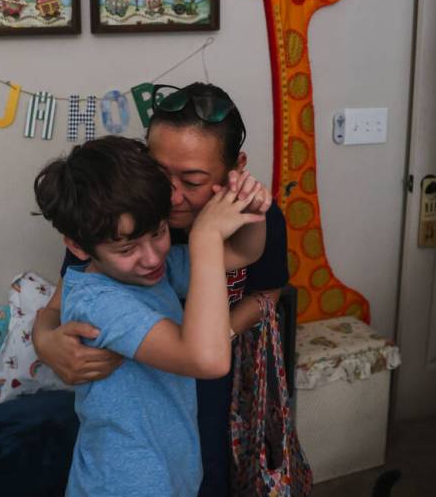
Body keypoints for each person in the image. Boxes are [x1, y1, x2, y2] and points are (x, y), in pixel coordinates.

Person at [33, 82, 289, 495]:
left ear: (234, 169)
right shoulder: (124, 216)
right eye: (159, 171)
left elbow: (249, 261)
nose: (171, 195)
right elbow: (61, 303)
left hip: (186, 404)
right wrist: (44, 341)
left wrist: (250, 212)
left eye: (191, 179)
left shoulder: (148, 250)